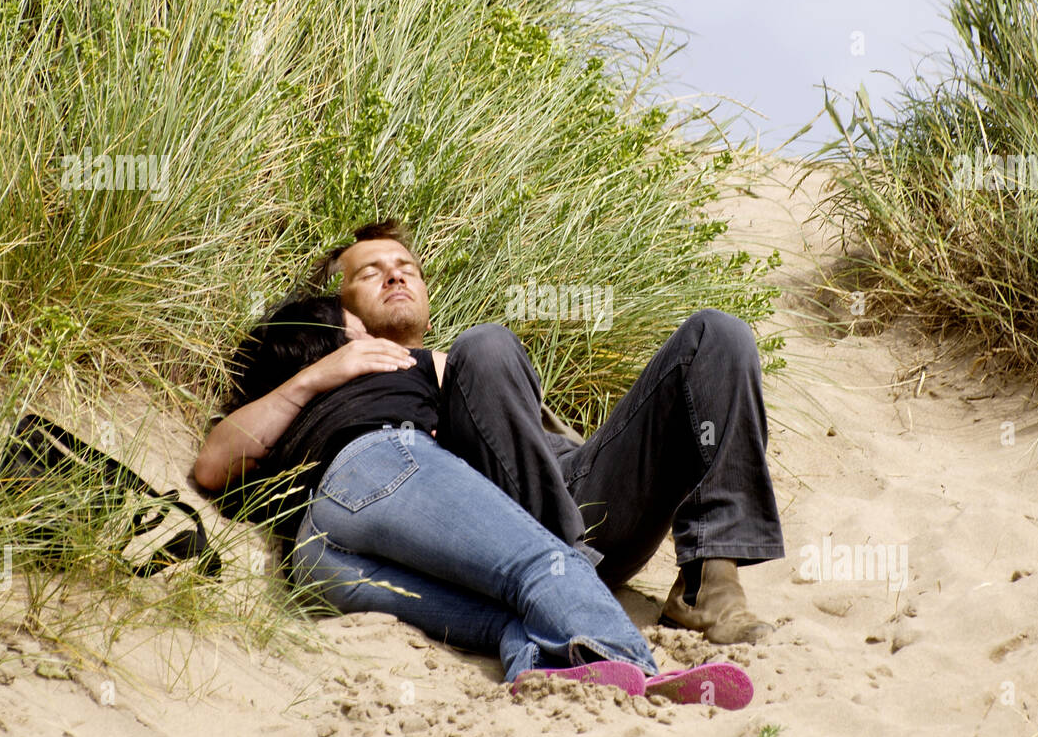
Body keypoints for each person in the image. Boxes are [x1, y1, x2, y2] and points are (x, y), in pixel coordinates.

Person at [194, 289, 753, 706]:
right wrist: (329, 368)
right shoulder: (385, 370)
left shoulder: (282, 422)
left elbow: (218, 464)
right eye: (359, 327)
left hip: (318, 558)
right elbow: (212, 463)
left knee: (506, 615)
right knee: (540, 564)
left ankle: (542, 667)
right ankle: (633, 665)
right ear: (345, 342)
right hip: (380, 469)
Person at [302, 220, 785, 645]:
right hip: (514, 524)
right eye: (370, 273)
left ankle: (709, 586)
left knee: (718, 333)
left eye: (407, 267)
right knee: (487, 343)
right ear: (339, 311)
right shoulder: (341, 384)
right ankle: (564, 585)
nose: (395, 275)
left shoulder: (467, 363)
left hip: (584, 491)